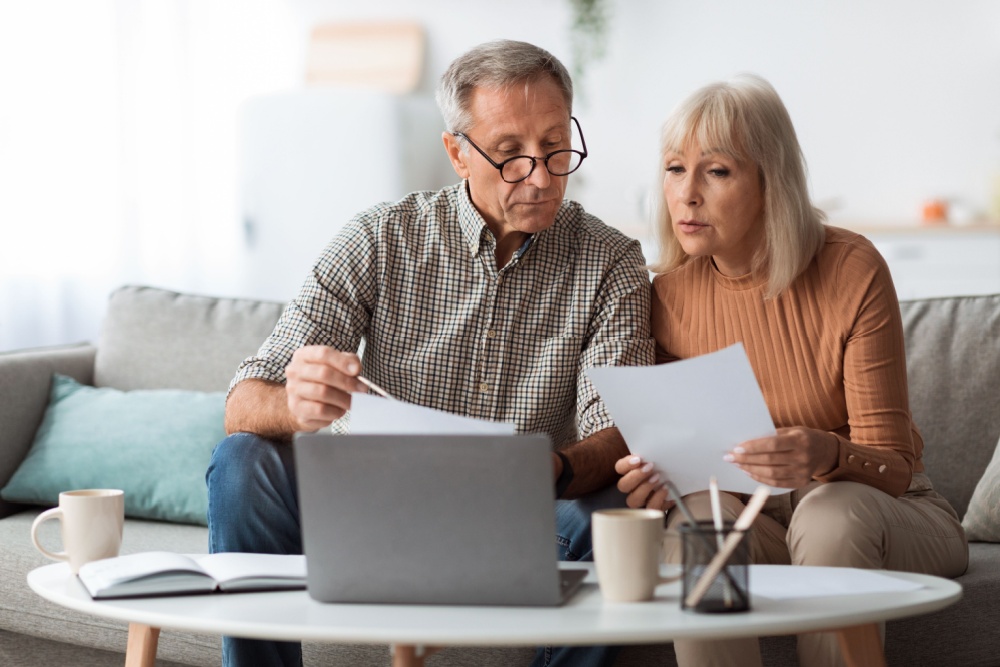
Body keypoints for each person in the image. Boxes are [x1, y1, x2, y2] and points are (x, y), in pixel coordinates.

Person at [206, 40, 653, 667]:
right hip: (371, 508)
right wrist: (304, 407)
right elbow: (244, 402)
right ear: (457, 154)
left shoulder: (612, 261)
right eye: (510, 155)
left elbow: (620, 430)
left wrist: (543, 469)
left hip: (520, 519)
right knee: (241, 461)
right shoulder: (379, 237)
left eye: (556, 145)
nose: (544, 176)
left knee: (610, 513)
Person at [616, 74, 969, 667]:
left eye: (717, 170)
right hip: (758, 518)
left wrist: (828, 455)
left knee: (831, 512)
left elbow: (893, 464)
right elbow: (691, 458)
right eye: (676, 169)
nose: (687, 194)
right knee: (697, 523)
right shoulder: (668, 295)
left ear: (770, 181)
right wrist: (653, 484)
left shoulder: (849, 269)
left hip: (888, 511)